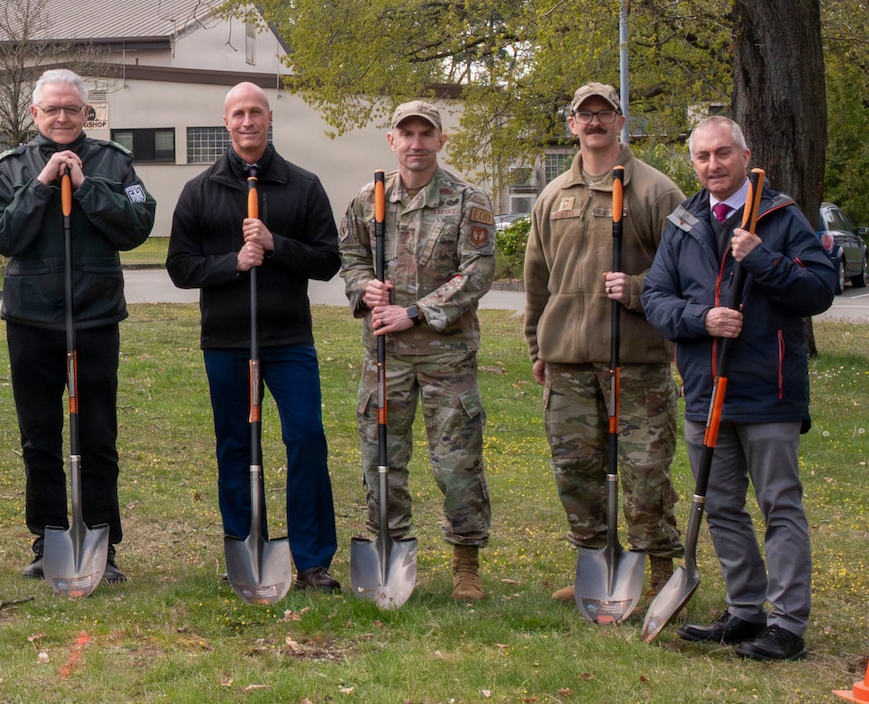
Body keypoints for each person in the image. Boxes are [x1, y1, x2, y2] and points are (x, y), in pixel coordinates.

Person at [642, 116, 834, 661]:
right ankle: (745, 611)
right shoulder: (683, 222)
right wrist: (702, 318)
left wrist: (764, 259)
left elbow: (820, 290)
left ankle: (787, 624)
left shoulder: (780, 216)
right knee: (721, 505)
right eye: (702, 157)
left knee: (779, 504)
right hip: (706, 390)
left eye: (722, 153)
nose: (712, 166)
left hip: (768, 389)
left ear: (745, 154)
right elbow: (656, 297)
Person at [0, 69, 154, 583]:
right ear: (35, 114)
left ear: (86, 113)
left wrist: (86, 185)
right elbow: (0, 233)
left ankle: (102, 540)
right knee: (39, 437)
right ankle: (48, 537)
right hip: (32, 320)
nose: (61, 117)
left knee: (97, 435)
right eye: (51, 109)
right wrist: (41, 185)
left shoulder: (114, 164)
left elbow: (138, 225)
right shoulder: (12, 168)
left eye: (71, 109)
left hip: (96, 316)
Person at [167, 82, 343, 591]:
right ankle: (244, 547)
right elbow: (180, 266)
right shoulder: (200, 190)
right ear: (226, 123)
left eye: (256, 113)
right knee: (236, 446)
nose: (247, 122)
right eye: (238, 114)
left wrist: (275, 244)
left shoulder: (302, 185)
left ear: (270, 120)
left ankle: (312, 560)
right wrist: (233, 263)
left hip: (288, 340)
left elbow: (328, 260)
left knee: (306, 438)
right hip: (226, 341)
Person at [523, 82, 687, 604]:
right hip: (567, 361)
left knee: (645, 470)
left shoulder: (658, 192)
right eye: (583, 114)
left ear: (621, 122)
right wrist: (537, 349)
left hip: (636, 361)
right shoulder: (552, 196)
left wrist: (637, 290)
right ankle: (595, 565)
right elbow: (536, 280)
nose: (594, 122)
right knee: (577, 471)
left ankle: (660, 571)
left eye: (604, 113)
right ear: (571, 124)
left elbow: (690, 275)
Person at [337, 102, 496, 601]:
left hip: (445, 357)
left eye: (425, 134)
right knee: (381, 457)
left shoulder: (468, 201)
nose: (416, 143)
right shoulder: (370, 199)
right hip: (385, 358)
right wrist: (365, 290)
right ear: (392, 140)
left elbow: (476, 273)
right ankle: (391, 547)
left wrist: (416, 312)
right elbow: (351, 256)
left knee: (456, 463)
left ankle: (465, 563)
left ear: (440, 141)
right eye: (406, 134)